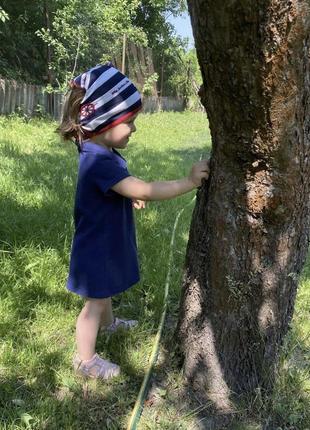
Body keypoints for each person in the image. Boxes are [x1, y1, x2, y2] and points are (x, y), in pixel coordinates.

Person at [57, 63, 210, 380]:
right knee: (94, 303)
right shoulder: (98, 160)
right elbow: (143, 188)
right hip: (96, 248)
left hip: (102, 242)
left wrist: (125, 194)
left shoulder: (102, 151)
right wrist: (188, 182)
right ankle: (85, 361)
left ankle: (110, 326)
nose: (134, 129)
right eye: (129, 122)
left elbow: (119, 186)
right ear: (103, 121)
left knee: (105, 292)